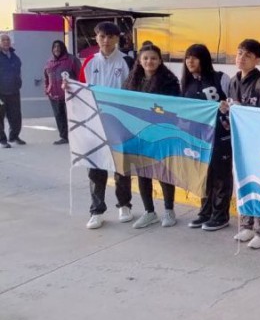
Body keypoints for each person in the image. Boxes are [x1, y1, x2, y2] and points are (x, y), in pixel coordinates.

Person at [77, 22, 134, 230]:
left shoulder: (127, 61)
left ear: (117, 38)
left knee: (121, 168)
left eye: (110, 36)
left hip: (119, 124)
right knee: (96, 168)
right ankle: (97, 210)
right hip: (95, 124)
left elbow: (135, 94)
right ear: (96, 38)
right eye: (102, 36)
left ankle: (124, 204)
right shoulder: (90, 63)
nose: (106, 40)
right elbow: (80, 92)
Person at [223, 39, 260, 248]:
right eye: (239, 54)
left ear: (257, 59)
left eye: (247, 55)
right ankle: (246, 224)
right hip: (240, 141)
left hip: (259, 143)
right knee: (243, 183)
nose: (241, 59)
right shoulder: (233, 82)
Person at [123, 44, 181, 228]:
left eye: (154, 58)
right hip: (139, 134)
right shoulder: (132, 81)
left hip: (161, 134)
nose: (150, 61)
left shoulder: (169, 81)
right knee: (143, 173)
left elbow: (174, 108)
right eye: (146, 58)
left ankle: (169, 211)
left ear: (160, 60)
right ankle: (149, 212)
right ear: (140, 61)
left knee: (164, 173)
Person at [182, 44, 233, 231]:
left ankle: (221, 215)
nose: (190, 61)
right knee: (204, 175)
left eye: (195, 57)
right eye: (188, 57)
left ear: (204, 59)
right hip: (198, 138)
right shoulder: (187, 83)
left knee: (221, 176)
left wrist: (227, 107)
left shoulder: (221, 78)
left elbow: (234, 102)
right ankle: (205, 212)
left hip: (221, 137)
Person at [43, 40, 80, 145]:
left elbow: (80, 76)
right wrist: (47, 89)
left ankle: (76, 137)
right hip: (54, 95)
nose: (56, 49)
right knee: (59, 116)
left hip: (70, 95)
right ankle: (64, 137)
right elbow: (46, 77)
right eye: (54, 47)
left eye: (59, 47)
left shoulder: (72, 60)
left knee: (72, 116)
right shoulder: (49, 62)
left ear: (63, 48)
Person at [0, 33, 25, 148]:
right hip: (1, 92)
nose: (6, 42)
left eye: (8, 40)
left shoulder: (14, 56)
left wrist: (19, 83)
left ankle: (14, 136)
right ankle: (2, 140)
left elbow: (18, 71)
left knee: (15, 116)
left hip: (14, 91)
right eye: (3, 40)